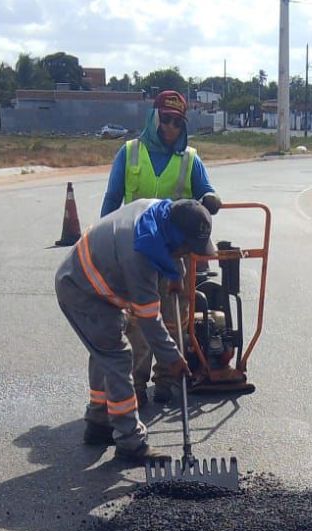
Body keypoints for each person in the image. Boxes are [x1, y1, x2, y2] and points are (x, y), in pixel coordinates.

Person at [55, 198, 216, 464]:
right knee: (117, 357)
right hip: (81, 290)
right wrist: (173, 359)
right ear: (176, 238)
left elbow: (173, 250)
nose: (188, 253)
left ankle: (98, 421)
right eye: (187, 248)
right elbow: (149, 320)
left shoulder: (160, 212)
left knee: (103, 353)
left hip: (92, 281)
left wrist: (176, 274)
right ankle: (131, 442)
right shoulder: (139, 255)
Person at [100, 90, 222, 407]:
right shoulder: (129, 153)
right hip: (136, 253)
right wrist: (106, 245)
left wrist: (209, 198)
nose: (170, 128)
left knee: (174, 319)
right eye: (165, 120)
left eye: (177, 123)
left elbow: (205, 189)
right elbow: (112, 201)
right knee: (138, 323)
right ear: (154, 119)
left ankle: (167, 380)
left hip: (173, 255)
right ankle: (136, 385)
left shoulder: (189, 159)